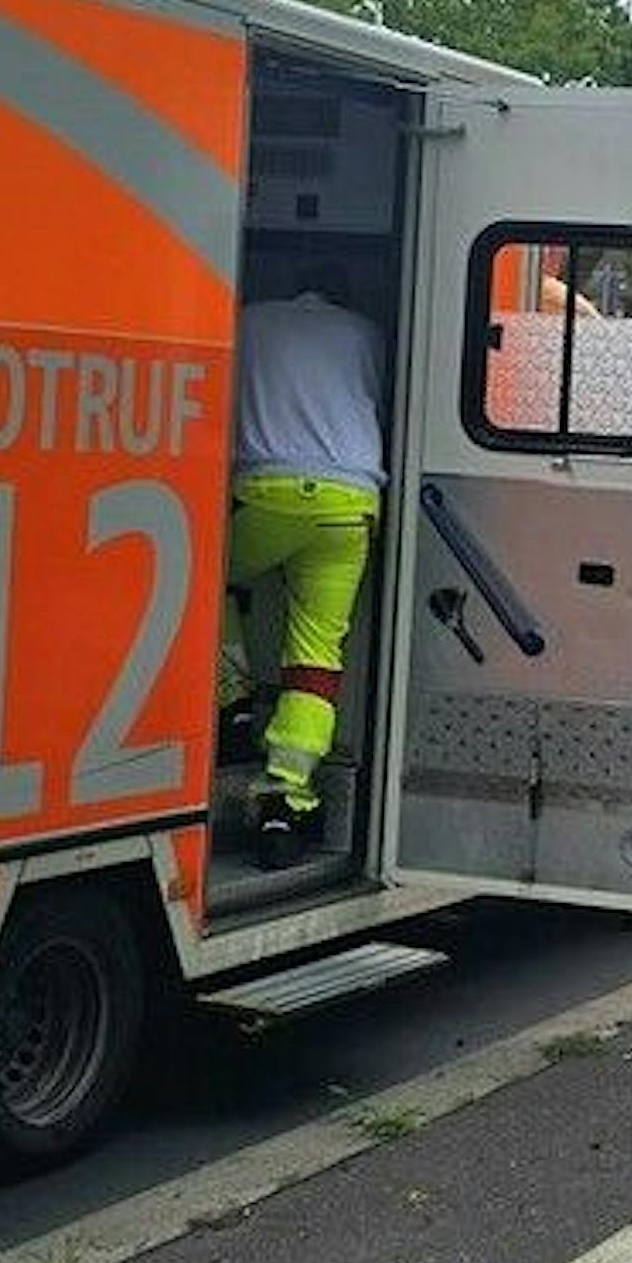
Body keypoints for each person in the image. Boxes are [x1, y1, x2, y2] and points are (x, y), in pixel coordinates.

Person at [217, 262, 386, 868]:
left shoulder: (249, 320)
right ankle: (287, 795)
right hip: (350, 505)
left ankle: (233, 702)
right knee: (317, 652)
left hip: (267, 492)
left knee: (205, 583)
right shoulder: (368, 334)